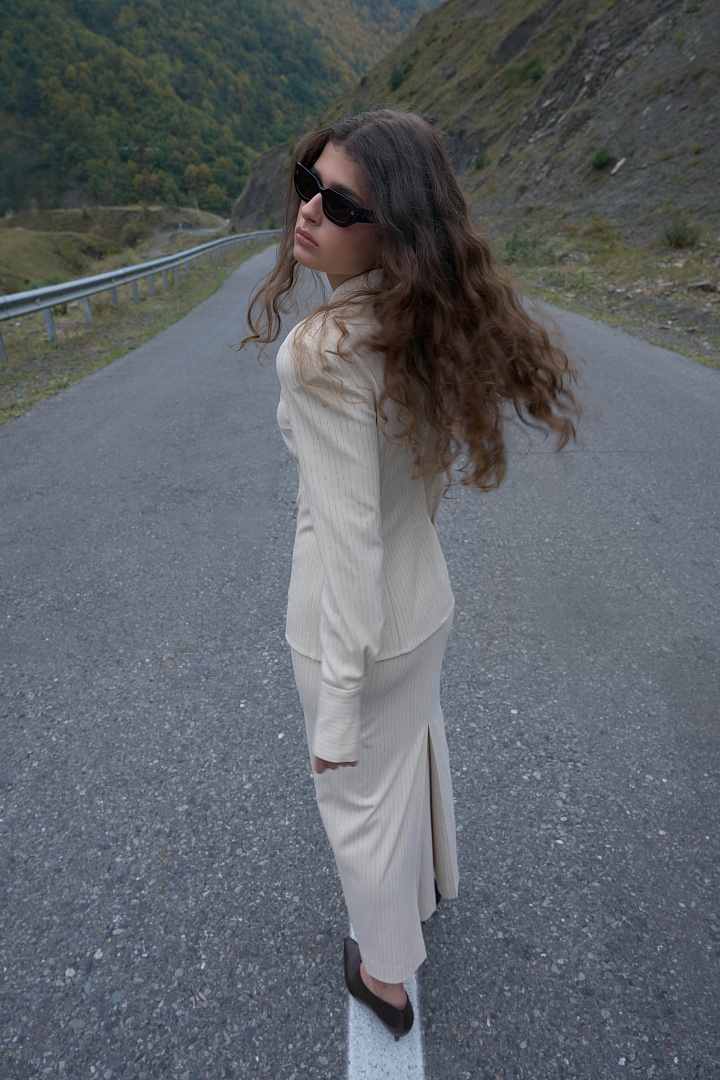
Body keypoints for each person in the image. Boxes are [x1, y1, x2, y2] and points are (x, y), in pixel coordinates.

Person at [243, 109, 578, 1039]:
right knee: (404, 762)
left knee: (355, 800)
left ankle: (386, 980)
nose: (310, 209)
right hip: (421, 601)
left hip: (348, 627)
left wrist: (337, 709)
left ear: (394, 230)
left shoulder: (320, 353)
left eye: (342, 203)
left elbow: (349, 539)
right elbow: (416, 493)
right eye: (309, 182)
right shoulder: (419, 320)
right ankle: (424, 889)